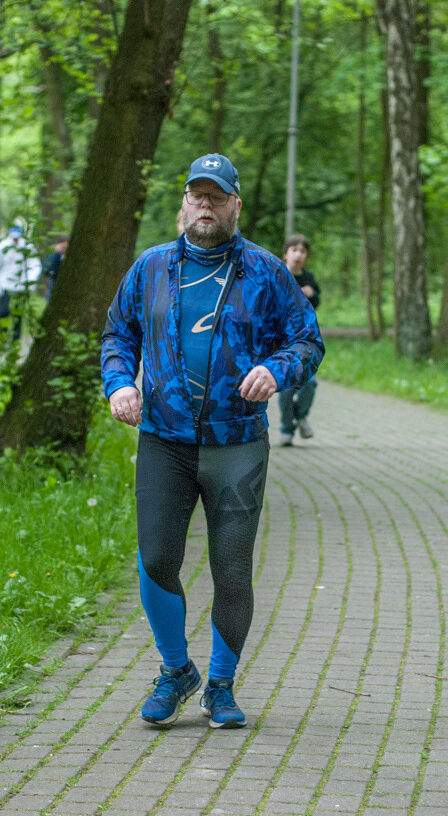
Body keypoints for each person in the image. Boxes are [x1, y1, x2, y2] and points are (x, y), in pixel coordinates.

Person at [101, 153, 324, 729]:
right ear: (183, 204)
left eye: (216, 197)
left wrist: (278, 370)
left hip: (237, 443)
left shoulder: (267, 272)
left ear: (235, 205)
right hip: (164, 441)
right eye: (196, 195)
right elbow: (117, 333)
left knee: (231, 569)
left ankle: (220, 686)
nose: (205, 206)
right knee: (156, 559)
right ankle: (176, 671)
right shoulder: (150, 268)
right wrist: (120, 382)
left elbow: (306, 341)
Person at [276, 233, 321, 446]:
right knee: (286, 387)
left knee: (309, 383)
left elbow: (316, 303)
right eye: (294, 250)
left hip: (304, 339)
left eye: (302, 251)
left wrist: (311, 295)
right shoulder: (278, 274)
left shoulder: (309, 279)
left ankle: (301, 416)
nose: (298, 255)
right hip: (281, 340)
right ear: (286, 254)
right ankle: (287, 427)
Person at [0, 223, 41, 341]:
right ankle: (3, 336)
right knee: (3, 312)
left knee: (18, 314)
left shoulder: (27, 247)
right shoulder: (2, 247)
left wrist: (30, 282)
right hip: (4, 286)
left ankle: (15, 340)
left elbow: (35, 265)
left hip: (20, 287)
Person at [42, 236, 67, 301]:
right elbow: (47, 271)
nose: (64, 249)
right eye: (62, 246)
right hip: (54, 283)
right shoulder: (53, 254)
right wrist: (57, 254)